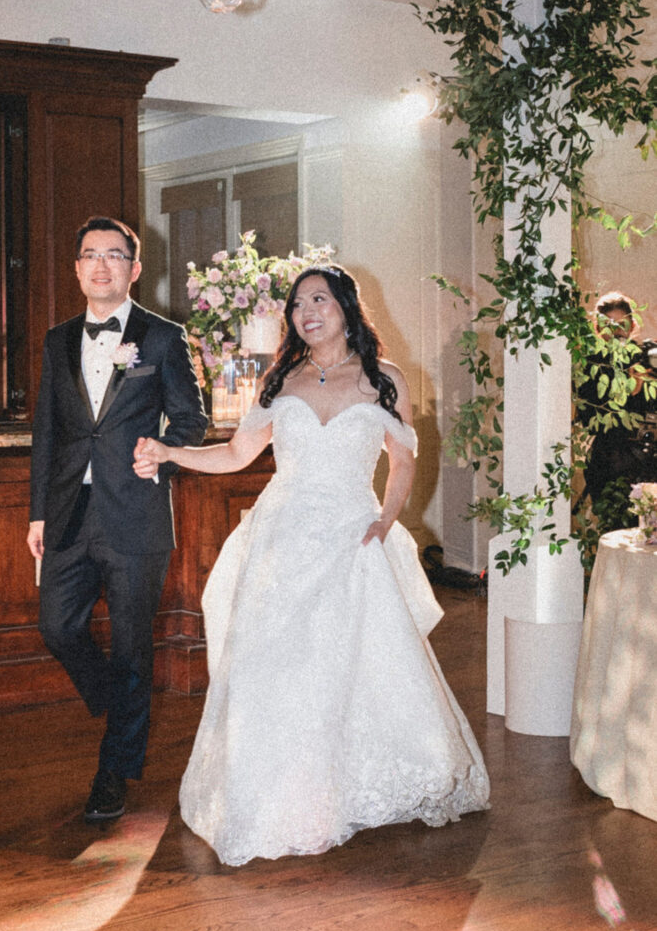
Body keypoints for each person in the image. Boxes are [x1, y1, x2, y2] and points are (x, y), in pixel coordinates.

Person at [134, 264, 489, 866]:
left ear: (346, 308)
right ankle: (279, 797)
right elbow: (236, 453)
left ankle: (350, 786)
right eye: (298, 304)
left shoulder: (386, 380)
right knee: (276, 666)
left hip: (352, 536)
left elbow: (401, 463)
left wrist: (385, 519)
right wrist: (172, 453)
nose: (307, 312)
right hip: (282, 538)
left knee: (354, 663)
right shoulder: (280, 380)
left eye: (319, 299)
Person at [28, 216, 207, 823]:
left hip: (135, 515)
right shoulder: (56, 341)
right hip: (68, 514)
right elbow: (46, 434)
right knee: (57, 627)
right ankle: (109, 695)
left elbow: (191, 421)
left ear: (134, 268)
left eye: (113, 255)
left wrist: (163, 454)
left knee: (133, 649)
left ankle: (114, 772)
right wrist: (37, 515)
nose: (100, 266)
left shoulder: (162, 339)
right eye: (88, 256)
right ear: (76, 269)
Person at [576, 291, 657, 533]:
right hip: (611, 464)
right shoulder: (591, 366)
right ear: (597, 327)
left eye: (621, 324)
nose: (616, 332)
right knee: (617, 534)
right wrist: (626, 394)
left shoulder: (646, 358)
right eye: (608, 325)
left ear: (632, 325)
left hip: (650, 463)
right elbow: (591, 421)